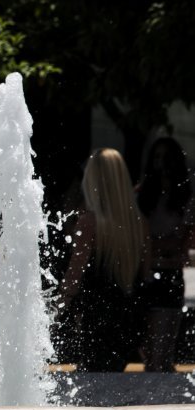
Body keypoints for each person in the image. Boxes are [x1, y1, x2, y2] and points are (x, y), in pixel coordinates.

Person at [57, 148, 146, 371]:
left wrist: (55, 309)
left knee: (93, 382)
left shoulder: (89, 222)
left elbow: (74, 277)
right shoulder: (138, 223)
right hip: (127, 321)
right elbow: (144, 273)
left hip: (96, 322)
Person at [135, 137, 194, 371]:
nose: (161, 164)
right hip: (145, 274)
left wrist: (158, 244)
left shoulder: (184, 198)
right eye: (157, 157)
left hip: (171, 274)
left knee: (162, 352)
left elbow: (184, 240)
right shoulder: (142, 195)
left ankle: (161, 388)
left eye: (166, 158)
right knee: (148, 351)